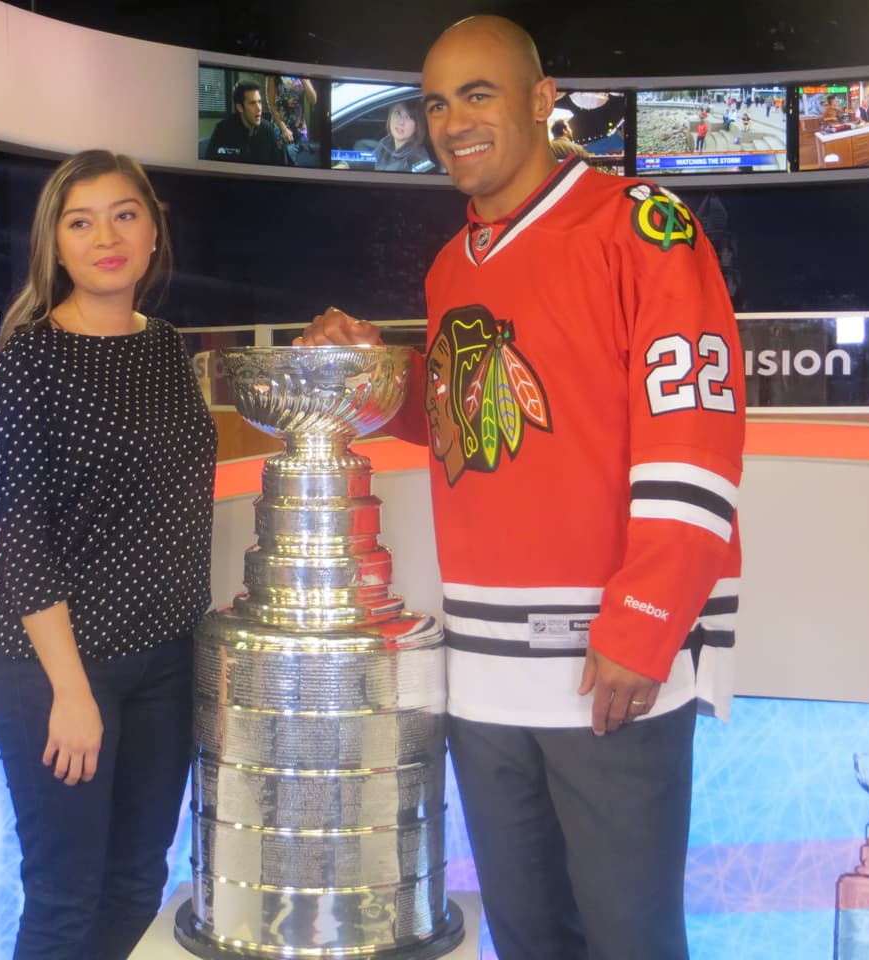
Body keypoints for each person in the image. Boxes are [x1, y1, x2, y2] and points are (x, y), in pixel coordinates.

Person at [297, 15, 744, 960]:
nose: (452, 120)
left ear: (544, 101)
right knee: (529, 941)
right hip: (485, 679)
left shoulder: (642, 228)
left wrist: (647, 620)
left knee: (631, 942)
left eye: (479, 93)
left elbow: (695, 440)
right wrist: (376, 377)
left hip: (607, 671)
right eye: (435, 102)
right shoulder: (451, 267)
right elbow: (472, 425)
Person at [0, 149, 217, 960]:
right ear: (56, 244)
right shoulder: (28, 364)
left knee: (136, 884)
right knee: (64, 903)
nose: (105, 236)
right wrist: (71, 691)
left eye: (124, 215)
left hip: (168, 664)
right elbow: (20, 543)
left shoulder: (168, 348)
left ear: (152, 232)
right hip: (62, 673)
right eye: (81, 221)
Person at [205, 80, 286, 165]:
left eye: (259, 102)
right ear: (240, 107)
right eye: (252, 103)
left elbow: (277, 167)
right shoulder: (223, 129)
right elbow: (210, 167)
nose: (259, 109)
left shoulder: (268, 130)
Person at [266, 74, 318, 163]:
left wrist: (304, 79)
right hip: (282, 129)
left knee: (303, 162)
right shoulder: (273, 75)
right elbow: (271, 105)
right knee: (288, 162)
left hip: (300, 128)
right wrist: (284, 129)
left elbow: (313, 100)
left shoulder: (302, 72)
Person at [375, 100, 436, 172]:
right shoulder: (384, 143)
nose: (401, 122)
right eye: (398, 113)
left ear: (418, 124)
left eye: (409, 117)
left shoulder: (421, 162)